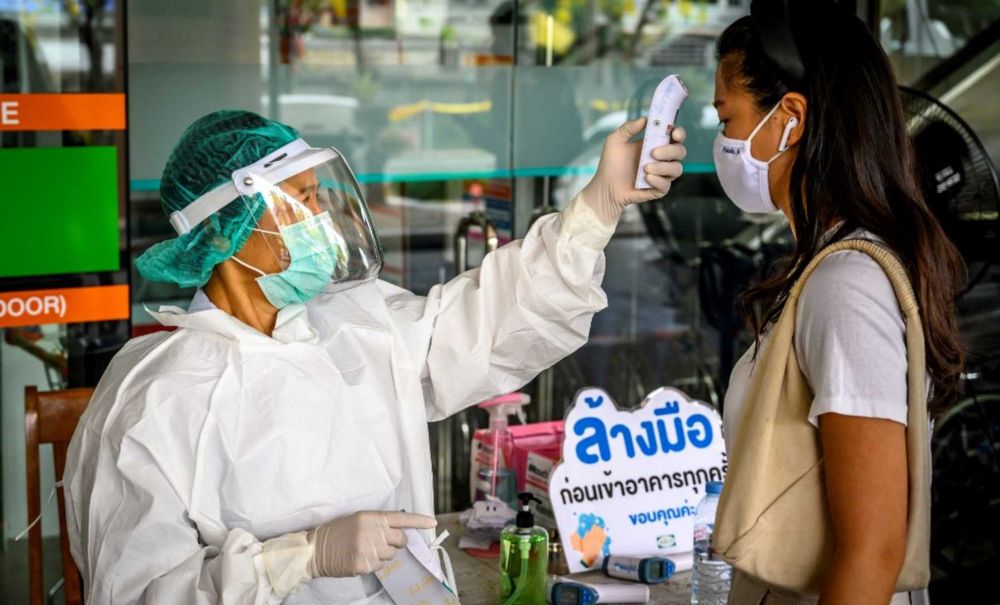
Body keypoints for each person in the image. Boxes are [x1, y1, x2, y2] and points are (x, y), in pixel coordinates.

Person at [64, 109, 686, 604]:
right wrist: (300, 557)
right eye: (298, 203)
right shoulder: (157, 400)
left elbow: (486, 325)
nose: (321, 223)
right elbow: (138, 592)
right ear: (223, 233)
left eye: (317, 197)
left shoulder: (354, 322)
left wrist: (596, 209)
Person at [710, 1, 964, 604]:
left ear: (790, 118)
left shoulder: (846, 284)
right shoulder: (823, 267)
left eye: (727, 119)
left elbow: (872, 551)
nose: (722, 140)